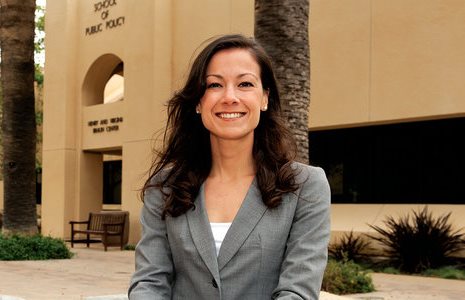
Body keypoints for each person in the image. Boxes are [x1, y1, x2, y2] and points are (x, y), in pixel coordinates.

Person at [128, 34, 331, 300]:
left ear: (264, 98)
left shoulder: (306, 185)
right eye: (214, 85)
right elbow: (150, 282)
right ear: (199, 103)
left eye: (245, 83)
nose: (230, 97)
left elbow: (298, 291)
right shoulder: (165, 188)